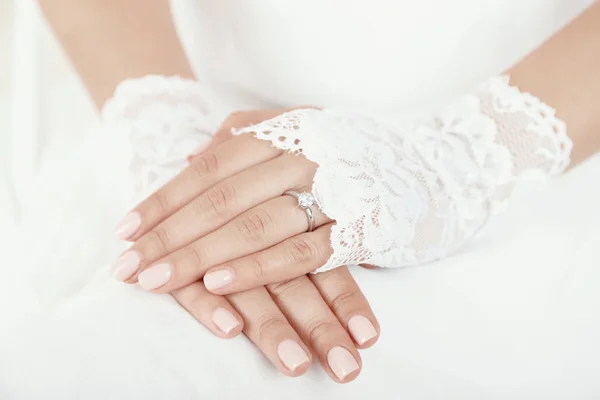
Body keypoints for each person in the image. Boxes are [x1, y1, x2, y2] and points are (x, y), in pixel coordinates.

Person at [25, 0, 600, 392]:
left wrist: (455, 161)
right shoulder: (174, 147)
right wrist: (173, 144)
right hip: (179, 101)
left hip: (538, 146)